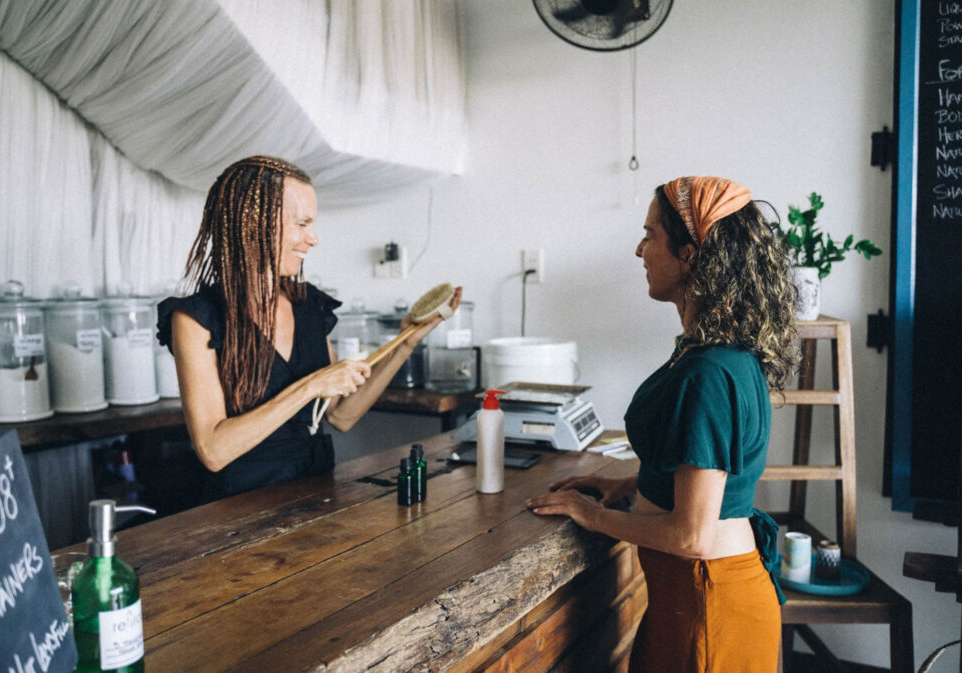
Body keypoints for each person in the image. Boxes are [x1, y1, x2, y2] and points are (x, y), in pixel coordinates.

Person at [526, 176, 798, 672]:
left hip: (709, 602)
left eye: (650, 235)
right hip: (693, 595)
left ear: (690, 255)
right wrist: (632, 484)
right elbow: (710, 473)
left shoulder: (708, 371)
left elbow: (692, 536)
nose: (639, 250)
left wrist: (590, 515)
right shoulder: (720, 354)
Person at [157, 155, 461, 501]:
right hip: (238, 504)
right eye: (302, 224)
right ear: (253, 224)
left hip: (317, 492)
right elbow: (213, 450)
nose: (313, 238)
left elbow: (340, 415)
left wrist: (406, 341)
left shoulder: (309, 305)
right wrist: (311, 385)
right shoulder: (195, 318)